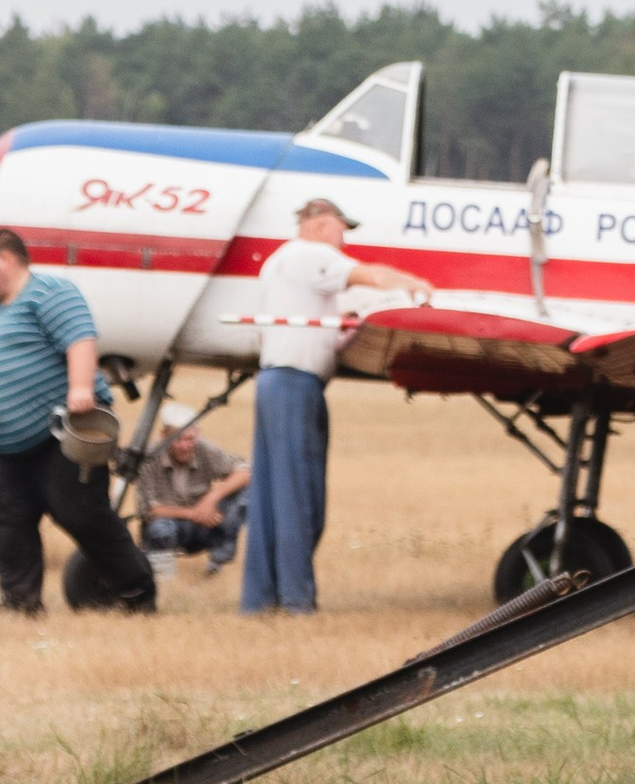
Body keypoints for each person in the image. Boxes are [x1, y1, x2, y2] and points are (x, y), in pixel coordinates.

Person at [0, 227, 157, 616]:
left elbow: (80, 337)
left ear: (6, 260)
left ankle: (135, 592)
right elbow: (10, 362)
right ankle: (21, 605)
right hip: (9, 446)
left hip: (61, 434)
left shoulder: (49, 292)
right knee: (7, 521)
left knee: (82, 515)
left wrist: (81, 387)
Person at [247, 196, 430, 615]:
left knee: (270, 497)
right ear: (319, 226)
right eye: (340, 228)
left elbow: (265, 332)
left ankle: (260, 600)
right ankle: (297, 601)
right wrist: (415, 285)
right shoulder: (313, 255)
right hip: (296, 383)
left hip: (274, 377)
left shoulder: (276, 263)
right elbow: (371, 276)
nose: (343, 239)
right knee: (299, 497)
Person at [136, 402, 249, 572]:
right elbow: (149, 510)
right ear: (163, 436)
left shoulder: (203, 449)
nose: (185, 446)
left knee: (247, 495)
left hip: (203, 525)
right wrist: (194, 513)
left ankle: (217, 562)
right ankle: (163, 577)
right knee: (160, 528)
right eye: (178, 439)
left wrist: (212, 499)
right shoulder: (149, 458)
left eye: (190, 438)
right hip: (169, 526)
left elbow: (246, 471)